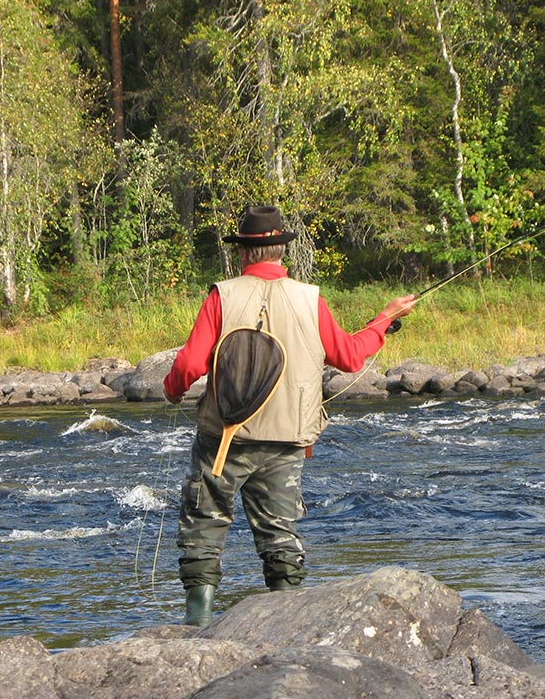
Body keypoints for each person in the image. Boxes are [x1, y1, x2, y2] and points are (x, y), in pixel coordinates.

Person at [162, 205, 417, 626]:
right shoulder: (310, 298)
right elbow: (351, 357)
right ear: (282, 251)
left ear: (243, 253)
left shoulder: (221, 295)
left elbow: (189, 365)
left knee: (204, 525)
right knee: (280, 535)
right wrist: (384, 319)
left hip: (224, 440)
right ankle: (286, 626)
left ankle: (198, 624)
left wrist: (171, 392)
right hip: (287, 442)